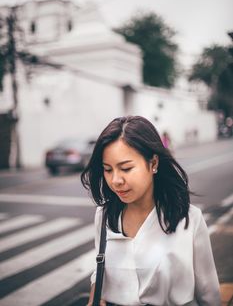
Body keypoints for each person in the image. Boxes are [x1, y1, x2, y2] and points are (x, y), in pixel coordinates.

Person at [81, 115, 221, 306]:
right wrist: (95, 295)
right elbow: (101, 267)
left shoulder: (189, 219)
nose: (115, 180)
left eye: (126, 168)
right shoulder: (104, 216)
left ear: (153, 163)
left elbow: (209, 293)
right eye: (108, 169)